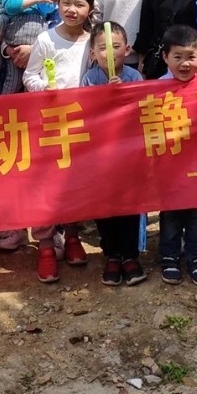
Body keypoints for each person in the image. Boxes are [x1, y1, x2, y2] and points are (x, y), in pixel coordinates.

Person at [24, 0, 97, 282]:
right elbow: (29, 76)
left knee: (75, 183)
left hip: (82, 126)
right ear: (57, 4)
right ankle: (44, 245)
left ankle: (72, 235)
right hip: (49, 124)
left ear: (90, 8)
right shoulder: (46, 39)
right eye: (66, 2)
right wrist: (45, 88)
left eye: (79, 4)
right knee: (47, 184)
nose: (71, 9)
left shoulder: (93, 41)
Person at [81, 22, 147, 288]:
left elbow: (141, 111)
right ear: (93, 53)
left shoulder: (134, 77)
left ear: (127, 49)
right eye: (102, 48)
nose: (109, 53)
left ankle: (130, 255)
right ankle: (112, 254)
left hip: (128, 156)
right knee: (105, 206)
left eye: (116, 47)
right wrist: (104, 95)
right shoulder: (89, 79)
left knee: (129, 204)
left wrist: (123, 94)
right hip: (100, 158)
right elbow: (86, 112)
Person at [156, 24, 197, 287]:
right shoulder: (154, 88)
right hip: (169, 169)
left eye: (191, 56)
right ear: (165, 57)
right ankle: (169, 255)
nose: (185, 63)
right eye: (177, 57)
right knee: (171, 214)